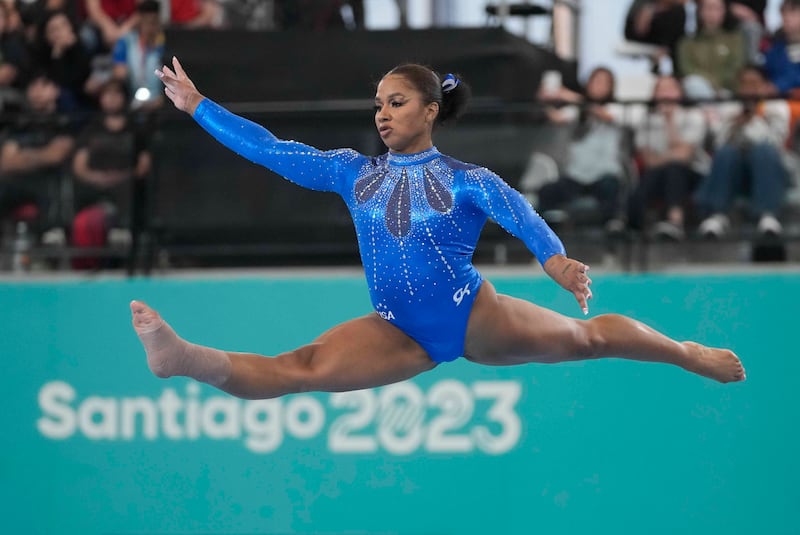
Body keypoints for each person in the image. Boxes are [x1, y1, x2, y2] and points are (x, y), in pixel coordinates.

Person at [130, 57, 745, 400]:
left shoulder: (467, 178)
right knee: (303, 368)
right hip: (397, 328)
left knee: (587, 340)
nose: (382, 114)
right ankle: (184, 359)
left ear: (430, 111)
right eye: (377, 104)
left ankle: (684, 353)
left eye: (396, 102)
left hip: (472, 315)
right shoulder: (352, 173)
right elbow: (271, 150)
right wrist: (199, 107)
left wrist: (555, 260)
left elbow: (521, 214)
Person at [695, 65, 793, 238]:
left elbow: (774, 142)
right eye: (745, 84)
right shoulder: (728, 107)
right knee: (727, 152)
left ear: (765, 85)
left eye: (754, 83)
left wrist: (753, 118)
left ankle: (767, 215)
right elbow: (719, 142)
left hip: (770, 171)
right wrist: (736, 123)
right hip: (735, 171)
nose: (749, 88)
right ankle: (717, 215)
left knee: (763, 151)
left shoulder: (777, 106)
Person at [535, 66, 632, 233]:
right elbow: (557, 118)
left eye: (604, 82)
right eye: (595, 81)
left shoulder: (618, 108)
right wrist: (545, 100)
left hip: (605, 175)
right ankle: (548, 232)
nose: (599, 86)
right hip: (577, 176)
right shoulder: (578, 111)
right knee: (547, 191)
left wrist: (571, 96)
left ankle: (614, 227)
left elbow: (606, 115)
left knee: (611, 190)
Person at [70, 78, 151, 269]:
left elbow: (144, 164)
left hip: (127, 189)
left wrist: (124, 178)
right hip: (95, 190)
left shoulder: (135, 129)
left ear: (124, 98)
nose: (112, 99)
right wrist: (97, 179)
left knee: (130, 198)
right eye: (107, 94)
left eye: (116, 94)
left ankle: (124, 237)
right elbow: (79, 165)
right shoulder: (92, 128)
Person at [628, 75, 709, 240]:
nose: (665, 94)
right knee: (651, 177)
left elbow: (685, 156)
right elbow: (648, 160)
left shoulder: (694, 116)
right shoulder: (647, 120)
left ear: (680, 93)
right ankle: (633, 226)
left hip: (693, 173)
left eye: (670, 89)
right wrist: (673, 154)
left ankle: (675, 222)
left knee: (674, 170)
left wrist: (669, 121)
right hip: (658, 173)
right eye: (661, 90)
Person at [677, 0, 746, 100]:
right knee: (692, 82)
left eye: (716, 9)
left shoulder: (734, 40)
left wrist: (719, 86)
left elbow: (736, 67)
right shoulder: (687, 43)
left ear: (724, 12)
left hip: (727, 91)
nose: (712, 13)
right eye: (708, 8)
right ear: (700, 12)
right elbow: (687, 69)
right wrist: (712, 84)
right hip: (698, 94)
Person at [111, 0, 165, 111]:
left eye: (153, 22)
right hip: (131, 100)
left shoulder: (164, 43)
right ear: (139, 21)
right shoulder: (126, 41)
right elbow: (118, 71)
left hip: (160, 101)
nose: (150, 28)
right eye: (146, 22)